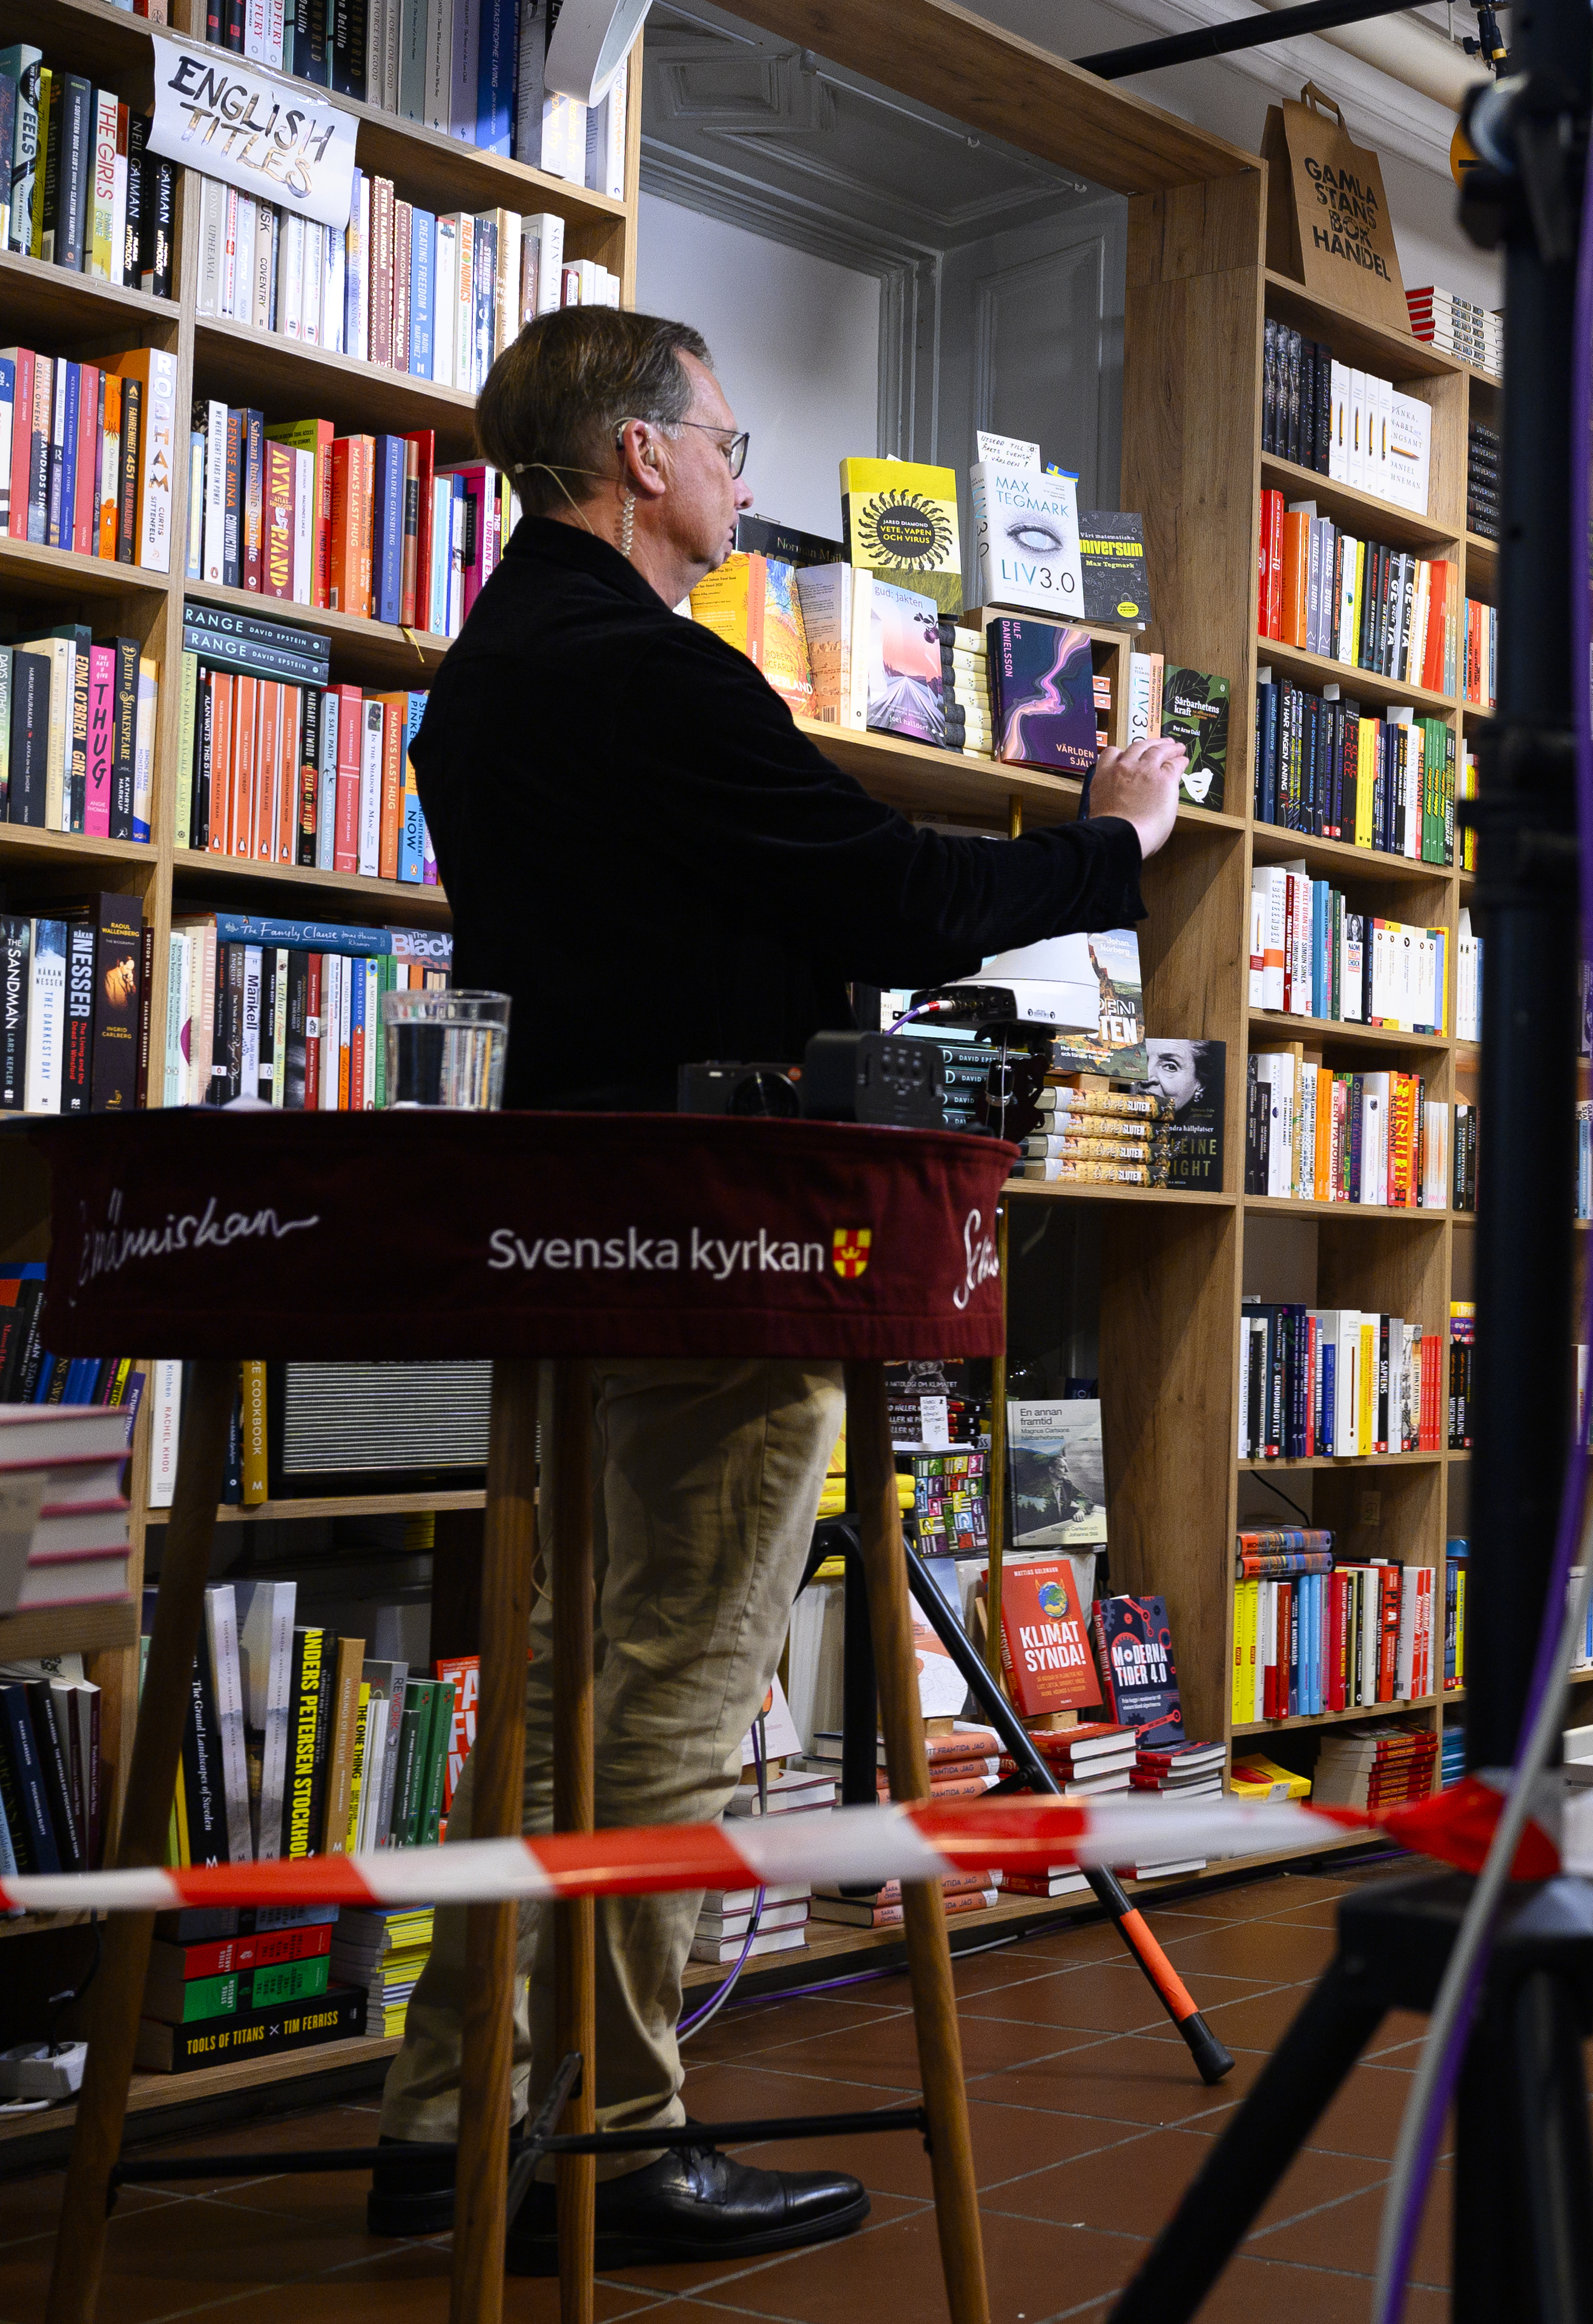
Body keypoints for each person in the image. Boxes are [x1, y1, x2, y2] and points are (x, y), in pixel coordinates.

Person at [369, 305, 1188, 2270]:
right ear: (637, 452)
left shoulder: (480, 682)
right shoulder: (648, 670)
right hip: (724, 1225)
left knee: (567, 1671)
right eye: (726, 439)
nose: (745, 470)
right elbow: (890, 896)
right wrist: (1112, 841)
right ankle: (627, 2133)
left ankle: (448, 2108)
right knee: (680, 1666)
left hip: (562, 1226)